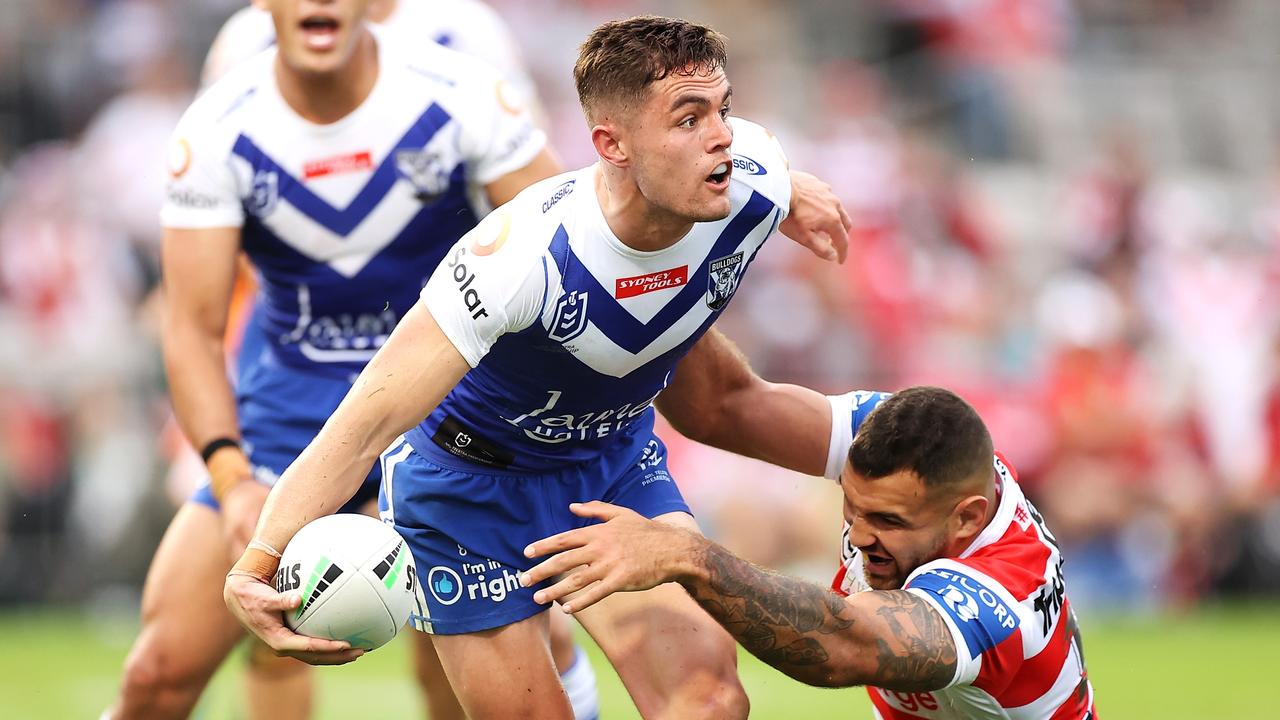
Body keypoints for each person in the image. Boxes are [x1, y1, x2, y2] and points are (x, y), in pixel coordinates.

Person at [223, 15, 853, 720]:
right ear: (610, 144)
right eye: (688, 118)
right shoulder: (516, 260)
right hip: (465, 495)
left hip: (609, 468)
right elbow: (363, 427)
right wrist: (256, 561)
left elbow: (766, 174)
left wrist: (794, 191)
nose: (722, 137)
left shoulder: (751, 176)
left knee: (708, 703)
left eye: (723, 109)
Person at [105, 0, 574, 717]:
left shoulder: (460, 93)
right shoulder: (216, 126)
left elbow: (568, 241)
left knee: (460, 684)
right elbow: (192, 329)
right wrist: (232, 482)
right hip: (285, 426)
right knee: (155, 676)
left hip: (447, 419)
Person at [523, 386, 1100, 719]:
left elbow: (844, 645)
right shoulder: (908, 446)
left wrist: (690, 557)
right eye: (853, 506)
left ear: (967, 518)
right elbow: (725, 403)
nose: (861, 534)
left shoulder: (1000, 597)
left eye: (889, 522)